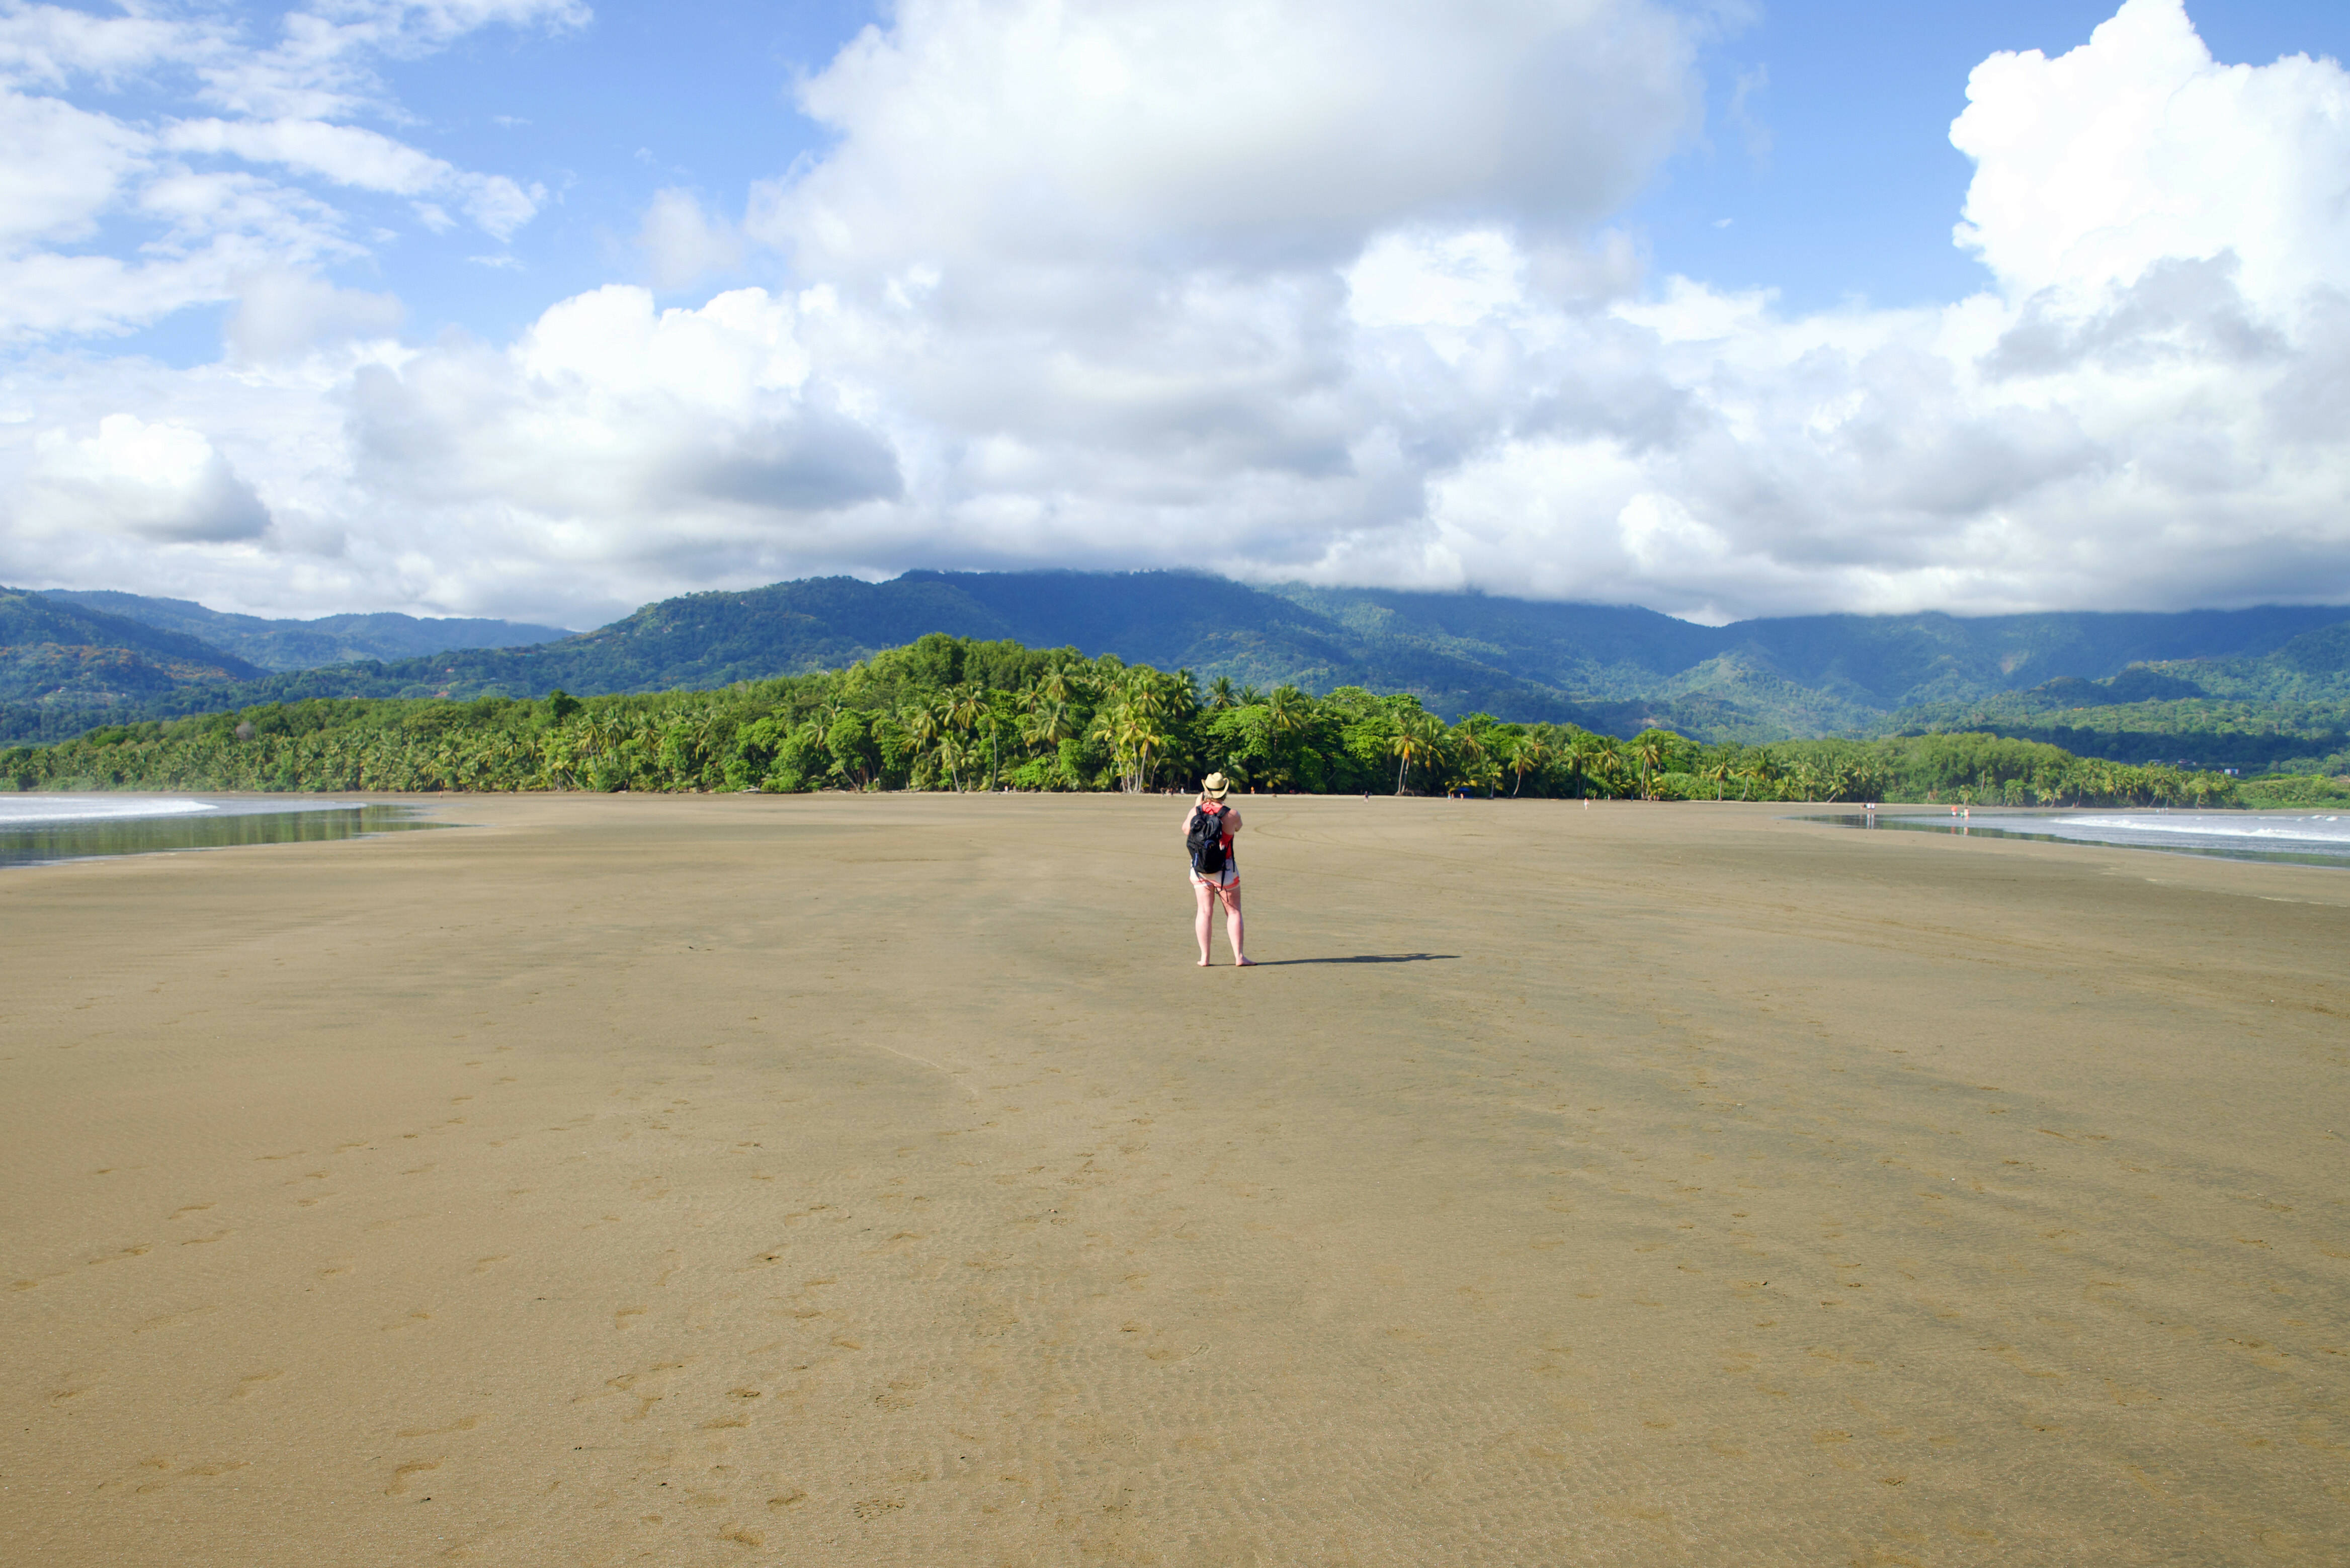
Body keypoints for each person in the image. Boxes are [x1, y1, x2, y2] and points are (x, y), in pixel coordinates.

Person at [1183, 773, 1251, 967]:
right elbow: (1237, 828)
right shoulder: (1231, 814)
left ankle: (1205, 958)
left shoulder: (1196, 811)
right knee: (1234, 912)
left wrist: (1197, 805)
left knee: (1204, 912)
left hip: (1200, 869)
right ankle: (1239, 957)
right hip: (1225, 867)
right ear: (1224, 792)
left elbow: (1185, 830)